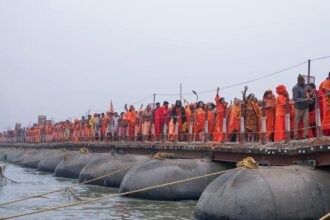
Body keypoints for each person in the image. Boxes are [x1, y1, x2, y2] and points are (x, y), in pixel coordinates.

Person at [292, 75, 309, 139]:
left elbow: (305, 95)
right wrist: (303, 99)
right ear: (298, 81)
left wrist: (308, 99)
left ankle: (305, 136)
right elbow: (295, 98)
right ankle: (295, 136)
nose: (303, 82)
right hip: (298, 108)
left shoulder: (305, 87)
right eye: (302, 81)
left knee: (306, 121)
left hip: (305, 107)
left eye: (303, 80)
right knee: (297, 122)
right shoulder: (295, 88)